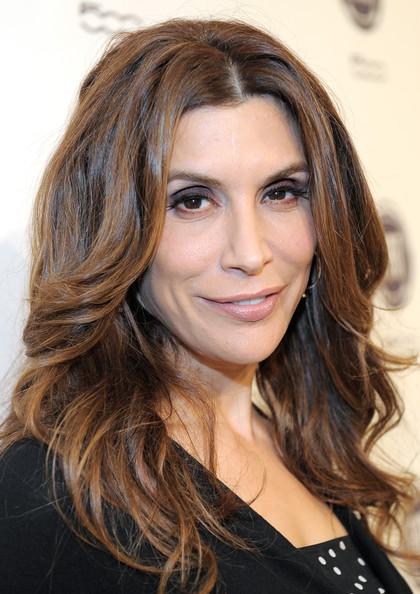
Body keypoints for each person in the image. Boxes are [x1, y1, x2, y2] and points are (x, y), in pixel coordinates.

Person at [0, 17, 417, 594]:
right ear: (113, 228)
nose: (251, 252)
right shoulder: (53, 496)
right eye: (192, 201)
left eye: (281, 192)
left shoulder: (302, 446)